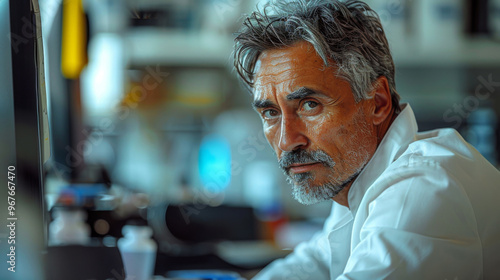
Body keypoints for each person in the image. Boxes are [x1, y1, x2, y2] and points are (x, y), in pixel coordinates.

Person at [233, 0, 500, 279]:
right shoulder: (359, 179)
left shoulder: (421, 187)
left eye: (310, 105)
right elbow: (315, 263)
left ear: (378, 102)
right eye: (271, 112)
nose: (287, 141)